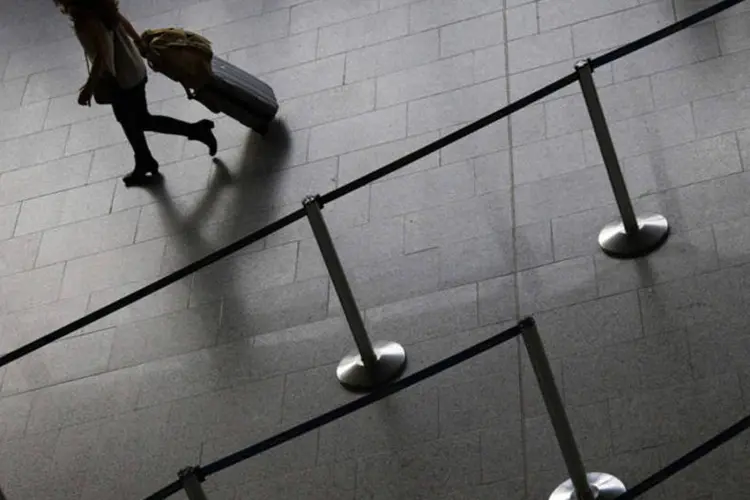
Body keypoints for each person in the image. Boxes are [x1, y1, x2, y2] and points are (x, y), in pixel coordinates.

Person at [54, 0, 218, 187]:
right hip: (133, 69)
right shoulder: (100, 7)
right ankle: (145, 159)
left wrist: (89, 88)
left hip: (122, 79)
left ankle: (194, 131)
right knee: (132, 121)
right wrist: (138, 42)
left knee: (138, 120)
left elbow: (104, 53)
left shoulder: (87, 19)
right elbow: (122, 22)